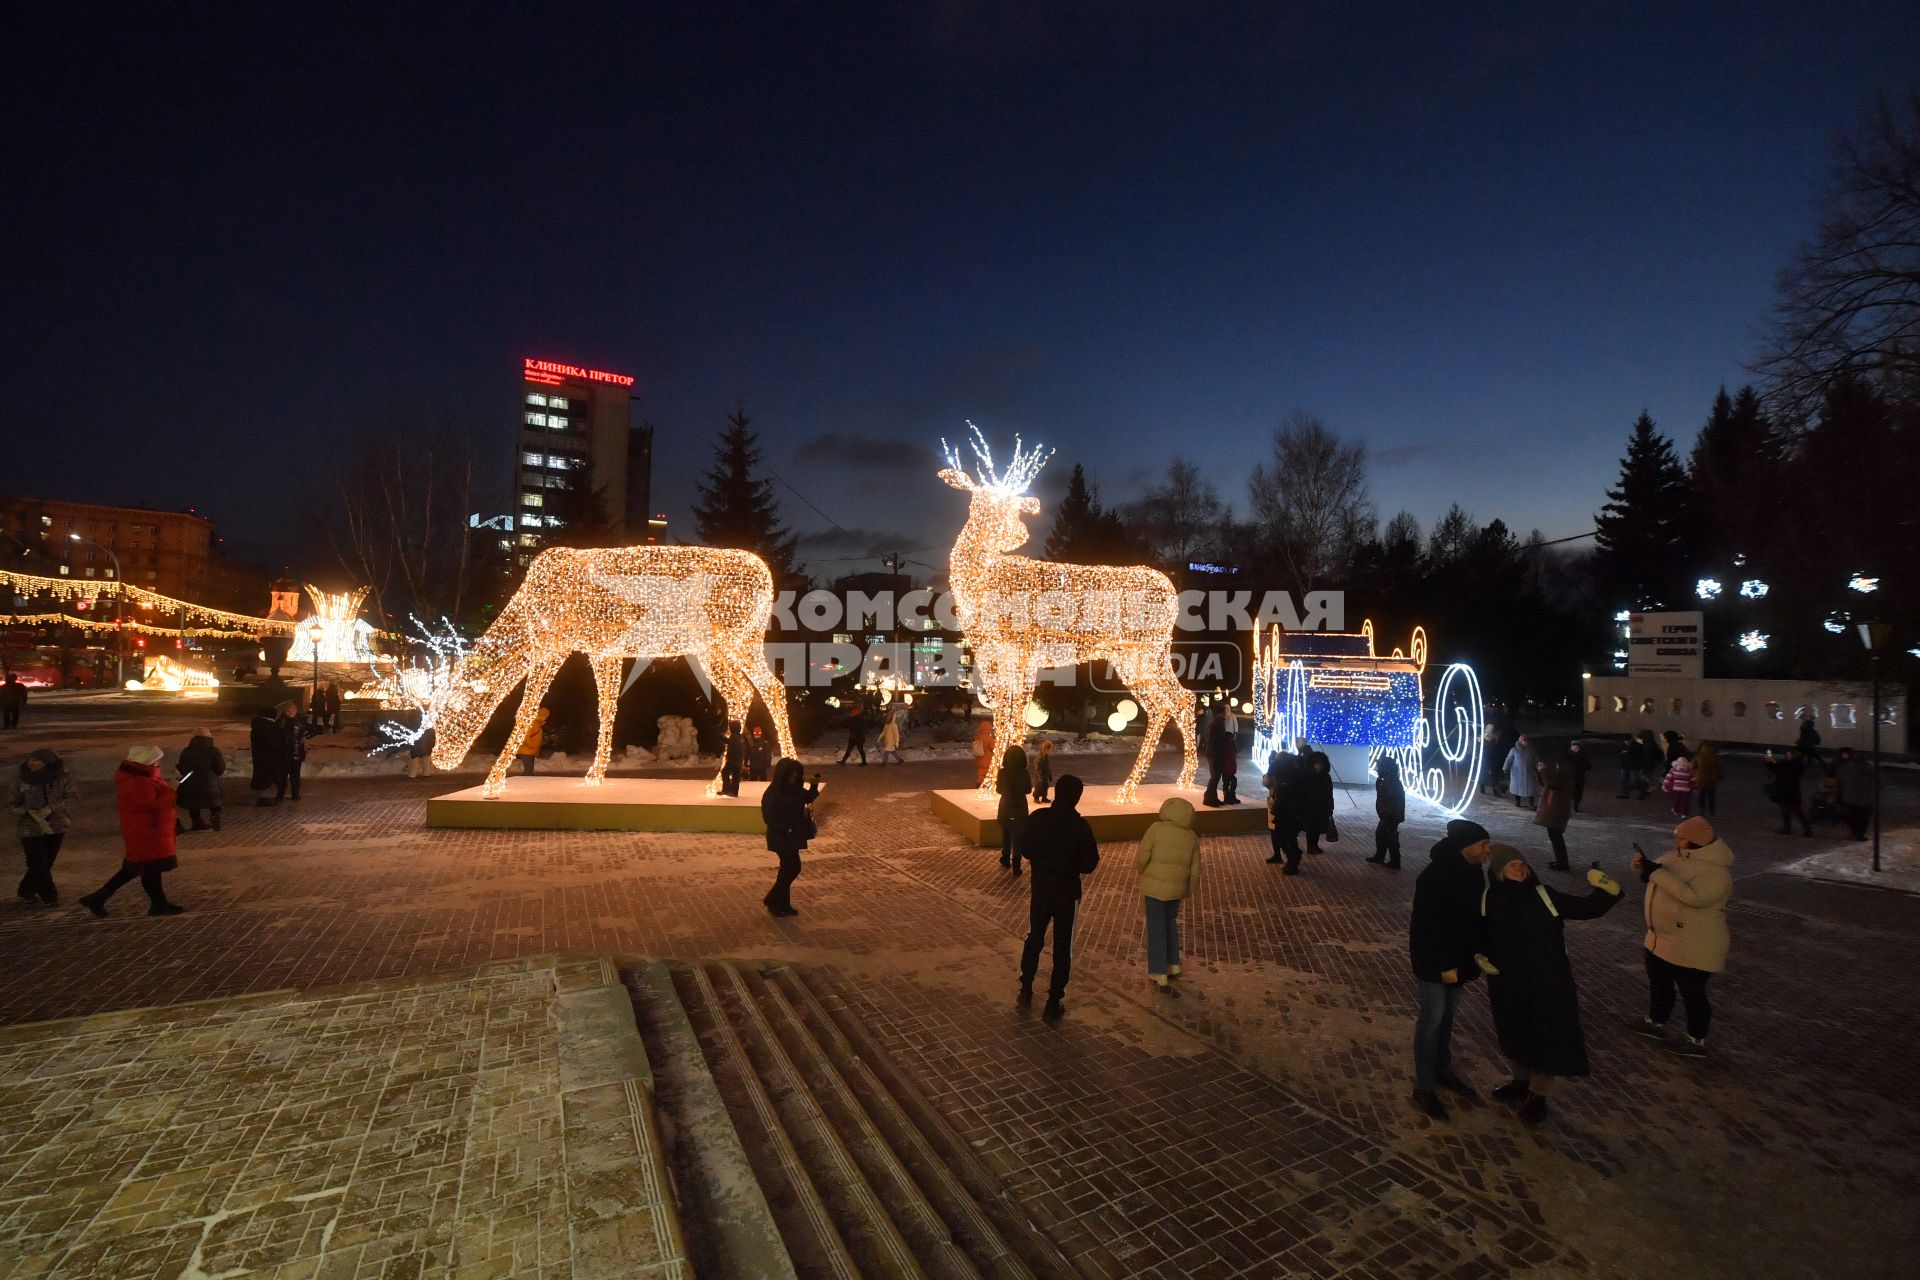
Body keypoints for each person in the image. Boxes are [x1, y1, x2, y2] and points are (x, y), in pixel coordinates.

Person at [1479, 845, 1623, 1125]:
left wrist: (1606, 889)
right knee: (1514, 1031)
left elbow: (1587, 908)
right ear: (1498, 872)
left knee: (1548, 1034)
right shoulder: (1489, 899)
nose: (1520, 869)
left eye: (1523, 864)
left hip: (1548, 979)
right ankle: (1520, 1082)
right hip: (1508, 981)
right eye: (1512, 865)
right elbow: (1479, 932)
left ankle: (1538, 1096)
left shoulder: (1544, 896)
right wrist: (1478, 954)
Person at [1407, 818, 1495, 1121]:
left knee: (1447, 1018)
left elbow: (1475, 920)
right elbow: (1427, 927)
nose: (1488, 850)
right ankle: (1424, 1087)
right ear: (1465, 847)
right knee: (1432, 1019)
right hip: (1435, 962)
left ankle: (1441, 1069)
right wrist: (1444, 965)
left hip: (1460, 961)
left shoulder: (1474, 873)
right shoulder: (1434, 876)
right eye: (1484, 845)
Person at [1628, 816, 1733, 1058]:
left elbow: (1694, 897)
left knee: (1692, 992)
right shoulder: (1678, 856)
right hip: (1661, 938)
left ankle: (1696, 1039)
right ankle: (1655, 1022)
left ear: (1697, 841)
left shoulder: (1716, 871)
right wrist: (1641, 866)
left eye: (1683, 838)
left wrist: (1655, 873)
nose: (1677, 841)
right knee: (1660, 983)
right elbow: (1659, 871)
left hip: (1695, 943)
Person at [1016, 774, 1100, 1020]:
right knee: (1063, 945)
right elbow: (1089, 863)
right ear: (1076, 798)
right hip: (1067, 892)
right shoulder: (1080, 827)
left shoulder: (1039, 818)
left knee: (1035, 936)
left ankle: (1026, 984)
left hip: (1040, 888)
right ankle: (1054, 998)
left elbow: (1026, 848)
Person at [80, 746, 185, 918]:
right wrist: (171, 790)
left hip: (147, 831)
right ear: (148, 763)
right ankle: (99, 897)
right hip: (146, 832)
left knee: (147, 868)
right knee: (139, 868)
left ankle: (158, 904)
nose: (159, 763)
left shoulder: (143, 778)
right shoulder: (139, 782)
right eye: (156, 760)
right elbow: (153, 807)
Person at [1137, 796, 1200, 995]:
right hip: (1176, 889)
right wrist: (1190, 888)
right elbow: (1196, 868)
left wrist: (1142, 871)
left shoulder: (1156, 829)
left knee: (1156, 926)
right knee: (1170, 923)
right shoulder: (1191, 837)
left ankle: (1158, 971)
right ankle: (1174, 963)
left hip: (1155, 888)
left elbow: (1143, 855)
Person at [11, 749, 76, 905]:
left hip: (56, 825)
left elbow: (72, 798)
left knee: (46, 861)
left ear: (47, 763)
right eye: (30, 759)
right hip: (30, 826)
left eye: (36, 760)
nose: (30, 762)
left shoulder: (63, 778)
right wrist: (26, 811)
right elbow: (11, 804)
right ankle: (49, 895)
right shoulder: (21, 779)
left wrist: (52, 808)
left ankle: (26, 889)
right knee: (38, 862)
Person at [759, 758, 819, 917]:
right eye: (792, 774)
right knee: (792, 868)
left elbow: (808, 797)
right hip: (781, 837)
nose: (794, 777)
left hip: (792, 836)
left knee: (787, 869)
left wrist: (814, 784)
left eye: (797, 774)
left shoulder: (794, 789)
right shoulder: (774, 792)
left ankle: (782, 904)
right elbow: (768, 816)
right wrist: (784, 828)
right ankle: (773, 898)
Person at [175, 729, 226, 831]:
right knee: (215, 801)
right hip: (210, 783)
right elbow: (220, 768)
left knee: (192, 803)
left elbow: (182, 767)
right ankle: (215, 817)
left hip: (190, 783)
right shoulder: (214, 751)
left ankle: (197, 823)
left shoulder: (186, 751)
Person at [1264, 748, 1305, 872]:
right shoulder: (1295, 771)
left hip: (1286, 810)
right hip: (1290, 810)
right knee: (1286, 837)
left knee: (1286, 837)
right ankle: (1293, 858)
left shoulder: (1284, 775)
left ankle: (1293, 861)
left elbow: (1268, 782)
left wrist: (1275, 808)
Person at [1533, 749, 1575, 870]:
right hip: (1557, 808)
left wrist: (1544, 771)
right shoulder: (1565, 769)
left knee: (1556, 836)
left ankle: (1562, 863)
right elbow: (1546, 783)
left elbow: (1551, 783)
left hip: (1557, 808)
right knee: (1555, 836)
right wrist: (1540, 771)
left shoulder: (1565, 770)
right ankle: (1560, 861)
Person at [997, 742, 1032, 873]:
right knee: (1018, 836)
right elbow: (1028, 790)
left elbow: (999, 790)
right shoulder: (1024, 773)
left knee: (1006, 834)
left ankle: (1005, 857)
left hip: (1005, 806)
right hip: (1020, 808)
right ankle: (1016, 863)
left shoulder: (1002, 772)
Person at [1368, 756, 1405, 869]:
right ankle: (1380, 856)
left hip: (1391, 816)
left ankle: (1395, 861)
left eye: (1380, 768)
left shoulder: (1392, 783)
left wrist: (1388, 815)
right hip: (1387, 815)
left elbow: (1392, 800)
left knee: (1390, 837)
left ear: (1386, 769)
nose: (1378, 770)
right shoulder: (1389, 781)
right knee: (1381, 835)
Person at [1297, 750, 1335, 857]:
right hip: (1310, 807)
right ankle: (1311, 846)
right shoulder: (1307, 776)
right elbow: (1303, 792)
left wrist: (1330, 806)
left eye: (1320, 764)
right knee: (1311, 828)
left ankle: (1315, 845)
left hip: (1322, 806)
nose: (1318, 767)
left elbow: (1329, 792)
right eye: (1316, 764)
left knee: (1318, 827)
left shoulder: (1326, 777)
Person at [1767, 747, 1812, 836]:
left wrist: (1773, 762)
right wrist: (1771, 762)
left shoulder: (1795, 765)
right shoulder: (1792, 764)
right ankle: (1787, 828)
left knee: (1796, 811)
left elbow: (1781, 769)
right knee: (1785, 810)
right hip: (1785, 790)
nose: (1787, 756)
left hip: (1790, 791)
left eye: (1789, 755)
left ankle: (1807, 829)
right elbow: (1777, 769)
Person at [249, 704, 287, 806]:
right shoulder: (267, 726)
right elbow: (273, 741)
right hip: (269, 756)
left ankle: (264, 797)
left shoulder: (258, 724)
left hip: (260, 756)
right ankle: (264, 798)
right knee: (271, 776)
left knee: (263, 775)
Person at [277, 702, 308, 800]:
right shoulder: (281, 722)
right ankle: (281, 795)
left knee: (294, 776)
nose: (289, 713)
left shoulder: (299, 722)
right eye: (288, 711)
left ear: (295, 711)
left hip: (295, 754)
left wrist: (305, 737)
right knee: (283, 776)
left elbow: (314, 729)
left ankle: (294, 795)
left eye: (291, 711)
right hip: (284, 754)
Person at [1503, 735, 1539, 810]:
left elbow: (1536, 760)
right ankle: (1517, 802)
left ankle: (1531, 804)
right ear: (1520, 741)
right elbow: (1508, 759)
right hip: (1517, 773)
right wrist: (1505, 768)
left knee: (1530, 789)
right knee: (1517, 789)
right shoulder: (1514, 750)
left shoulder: (1531, 751)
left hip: (1528, 773)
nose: (1525, 742)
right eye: (1523, 741)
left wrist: (1539, 767)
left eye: (1526, 741)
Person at [1692, 740, 1722, 818]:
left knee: (1702, 795)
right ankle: (1712, 810)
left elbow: (1693, 766)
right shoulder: (1714, 757)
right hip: (1712, 779)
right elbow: (1719, 768)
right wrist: (1721, 776)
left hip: (1701, 779)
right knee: (1712, 795)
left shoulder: (1699, 756)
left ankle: (1702, 810)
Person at [1661, 749, 1694, 818]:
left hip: (1676, 788)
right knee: (1685, 801)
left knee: (1677, 800)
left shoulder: (1673, 769)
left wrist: (1664, 784)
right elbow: (1692, 779)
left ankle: (1676, 810)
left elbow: (1668, 777)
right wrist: (1695, 786)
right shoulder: (1689, 770)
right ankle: (1684, 813)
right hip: (1685, 789)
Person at [516, 706, 549, 774]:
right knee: (529, 772)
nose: (546, 718)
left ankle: (523, 783)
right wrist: (532, 746)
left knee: (528, 771)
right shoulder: (534, 724)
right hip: (527, 751)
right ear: (543, 716)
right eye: (546, 716)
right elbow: (525, 736)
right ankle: (524, 784)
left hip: (527, 751)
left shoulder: (536, 723)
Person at [1616, 735, 1647, 800]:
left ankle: (1643, 790)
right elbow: (1618, 752)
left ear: (1631, 740)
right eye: (1625, 741)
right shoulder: (1623, 745)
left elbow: (1640, 755)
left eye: (1628, 741)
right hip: (1625, 764)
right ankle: (1624, 794)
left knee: (1635, 780)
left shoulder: (1637, 745)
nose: (1627, 742)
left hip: (1634, 765)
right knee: (1623, 779)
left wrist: (1627, 752)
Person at [720, 723, 745, 797]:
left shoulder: (734, 737)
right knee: (735, 776)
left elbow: (728, 742)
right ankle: (732, 791)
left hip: (733, 760)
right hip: (737, 760)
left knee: (726, 773)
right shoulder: (740, 737)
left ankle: (728, 790)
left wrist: (720, 737)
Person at [1568, 742, 1592, 811]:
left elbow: (1589, 765)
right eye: (1573, 747)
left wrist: (1582, 767)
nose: (1575, 748)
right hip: (1569, 776)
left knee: (1578, 792)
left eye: (1577, 747)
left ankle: (1575, 807)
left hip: (1579, 776)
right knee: (1569, 791)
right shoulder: (1567, 755)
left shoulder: (1583, 755)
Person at [1030, 738, 1053, 803]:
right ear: (1045, 749)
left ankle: (1044, 797)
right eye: (1048, 750)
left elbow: (1048, 767)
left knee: (1045, 787)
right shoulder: (1040, 757)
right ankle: (1036, 797)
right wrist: (1040, 776)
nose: (1049, 751)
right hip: (1040, 776)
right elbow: (1037, 767)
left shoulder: (1046, 757)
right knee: (1039, 787)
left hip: (1045, 776)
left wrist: (1050, 775)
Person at [972, 719, 994, 786]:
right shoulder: (988, 738)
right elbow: (993, 747)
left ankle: (979, 782)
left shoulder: (978, 737)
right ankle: (983, 784)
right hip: (986, 758)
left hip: (979, 758)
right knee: (986, 772)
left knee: (980, 772)